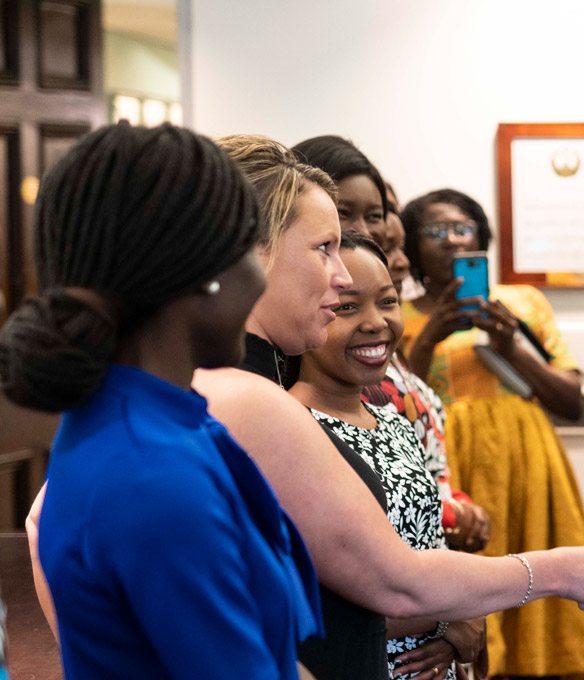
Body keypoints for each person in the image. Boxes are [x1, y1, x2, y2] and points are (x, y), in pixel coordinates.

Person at [192, 136, 584, 680]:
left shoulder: (200, 383)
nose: (342, 274)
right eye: (323, 247)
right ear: (255, 250)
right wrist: (563, 568)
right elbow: (398, 583)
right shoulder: (252, 398)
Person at [0, 123, 322, 679]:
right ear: (204, 277)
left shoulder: (165, 423)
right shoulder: (151, 472)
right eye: (248, 248)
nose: (258, 277)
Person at [400, 188, 584, 679]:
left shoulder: (522, 303)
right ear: (412, 246)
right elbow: (396, 401)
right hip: (449, 468)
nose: (451, 241)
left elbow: (571, 400)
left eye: (463, 229)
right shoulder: (398, 312)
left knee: (539, 583)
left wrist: (510, 345)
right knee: (468, 592)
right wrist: (431, 334)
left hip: (528, 465)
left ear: (482, 238)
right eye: (434, 232)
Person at [290, 233, 484, 680]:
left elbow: (430, 549)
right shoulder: (292, 426)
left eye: (387, 301)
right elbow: (314, 604)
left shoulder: (394, 421)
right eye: (347, 306)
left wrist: (465, 620)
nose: (376, 322)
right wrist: (450, 616)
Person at [294, 135, 491, 553]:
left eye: (375, 215)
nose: (365, 232)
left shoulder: (388, 418)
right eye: (343, 213)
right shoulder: (298, 413)